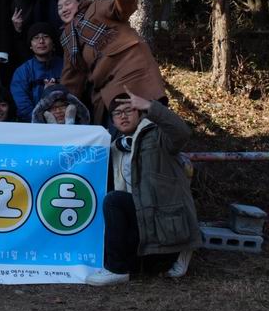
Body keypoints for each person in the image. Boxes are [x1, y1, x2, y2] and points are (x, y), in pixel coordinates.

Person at [86, 89, 201, 286]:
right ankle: (130, 264)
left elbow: (182, 133)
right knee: (143, 267)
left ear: (139, 113)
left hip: (164, 220)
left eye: (128, 110)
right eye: (117, 113)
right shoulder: (114, 147)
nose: (123, 116)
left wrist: (150, 106)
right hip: (141, 219)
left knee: (114, 200)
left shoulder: (157, 135)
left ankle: (118, 269)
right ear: (112, 121)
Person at [58, 0, 167, 124]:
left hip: (131, 71)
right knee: (114, 129)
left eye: (67, 3)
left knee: (147, 126)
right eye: (59, 7)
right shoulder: (68, 38)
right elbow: (71, 77)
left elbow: (124, 8)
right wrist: (61, 103)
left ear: (80, 1)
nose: (63, 9)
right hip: (105, 88)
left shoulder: (96, 8)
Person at [10, 22, 63, 122]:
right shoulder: (22, 72)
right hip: (34, 125)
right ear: (30, 45)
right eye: (36, 38)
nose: (41, 41)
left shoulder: (65, 66)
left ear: (53, 42)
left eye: (46, 37)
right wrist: (41, 120)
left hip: (64, 122)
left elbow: (73, 96)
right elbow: (23, 107)